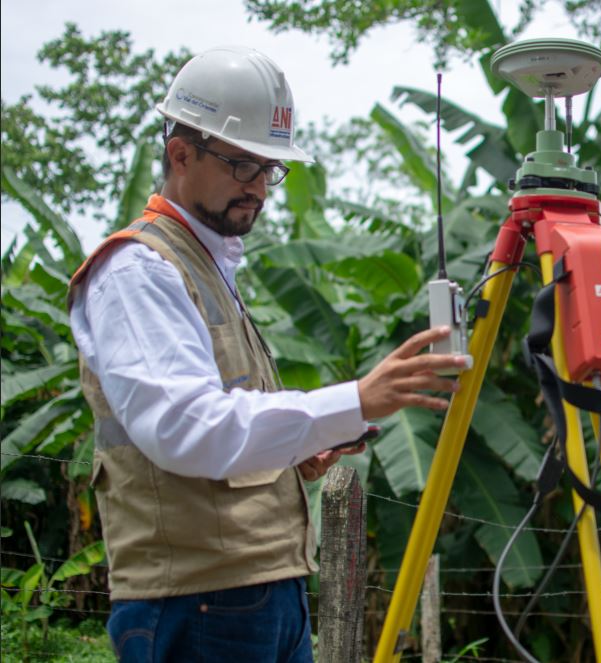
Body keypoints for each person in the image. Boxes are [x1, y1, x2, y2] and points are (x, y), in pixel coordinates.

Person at [67, 46, 468, 662]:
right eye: (242, 166)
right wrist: (354, 399)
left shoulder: (208, 264)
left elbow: (225, 427)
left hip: (257, 593)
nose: (258, 189)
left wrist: (299, 445)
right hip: (197, 600)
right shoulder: (138, 270)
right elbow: (184, 427)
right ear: (181, 154)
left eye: (269, 170)